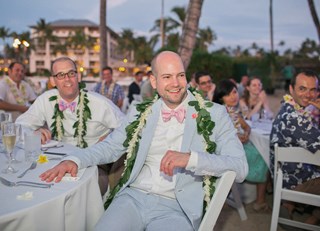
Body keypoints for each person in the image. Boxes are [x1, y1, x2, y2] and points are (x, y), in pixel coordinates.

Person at [40, 51, 248, 231]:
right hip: (132, 198)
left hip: (177, 207)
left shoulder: (215, 114)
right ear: (154, 81)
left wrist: (191, 159)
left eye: (180, 75)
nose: (175, 84)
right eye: (167, 77)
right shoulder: (139, 113)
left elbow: (240, 167)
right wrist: (75, 160)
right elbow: (111, 147)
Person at [16, 57, 125, 195]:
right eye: (60, 75)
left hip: (95, 164)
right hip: (57, 159)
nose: (67, 79)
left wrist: (111, 137)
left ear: (78, 77)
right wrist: (32, 133)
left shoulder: (100, 103)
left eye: (71, 73)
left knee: (84, 192)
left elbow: (128, 129)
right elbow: (19, 125)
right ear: (52, 81)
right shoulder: (45, 100)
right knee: (39, 185)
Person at [270, 70, 320, 225]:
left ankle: (289, 206)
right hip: (298, 180)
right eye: (302, 88)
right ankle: (312, 220)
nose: (308, 94)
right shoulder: (295, 118)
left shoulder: (288, 108)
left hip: (285, 177)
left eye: (313, 89)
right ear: (291, 89)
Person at [213, 79, 270, 212]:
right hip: (227, 152)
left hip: (241, 146)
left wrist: (246, 134)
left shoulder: (234, 112)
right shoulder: (217, 113)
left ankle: (262, 195)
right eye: (228, 94)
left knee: (263, 151)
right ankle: (260, 200)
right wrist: (236, 138)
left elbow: (247, 127)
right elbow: (217, 137)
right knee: (262, 155)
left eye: (234, 92)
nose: (233, 96)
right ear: (221, 97)